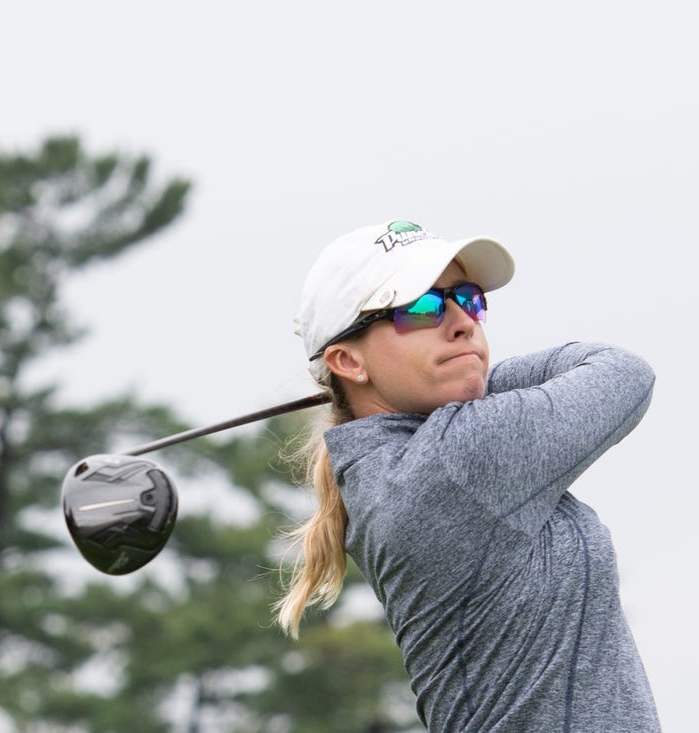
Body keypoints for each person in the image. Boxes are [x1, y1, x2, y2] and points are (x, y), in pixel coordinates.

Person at [279, 219, 660, 732]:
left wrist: (468, 376)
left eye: (467, 297)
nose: (461, 321)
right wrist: (479, 377)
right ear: (347, 360)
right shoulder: (454, 464)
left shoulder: (398, 470)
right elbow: (620, 371)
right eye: (419, 307)